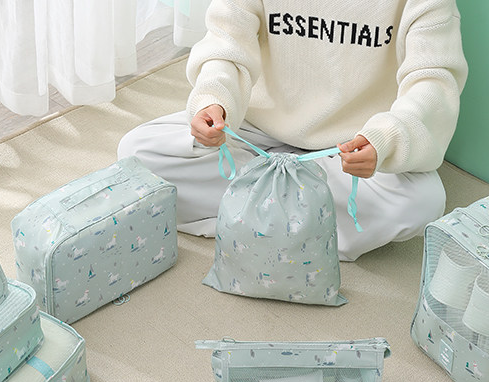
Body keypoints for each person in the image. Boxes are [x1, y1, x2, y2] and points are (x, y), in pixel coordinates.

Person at [118, 0, 468, 261]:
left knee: (422, 202)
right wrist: (214, 101)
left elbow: (433, 82)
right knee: (138, 152)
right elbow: (226, 42)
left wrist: (386, 140)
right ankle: (308, 222)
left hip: (350, 152)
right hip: (256, 131)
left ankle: (246, 209)